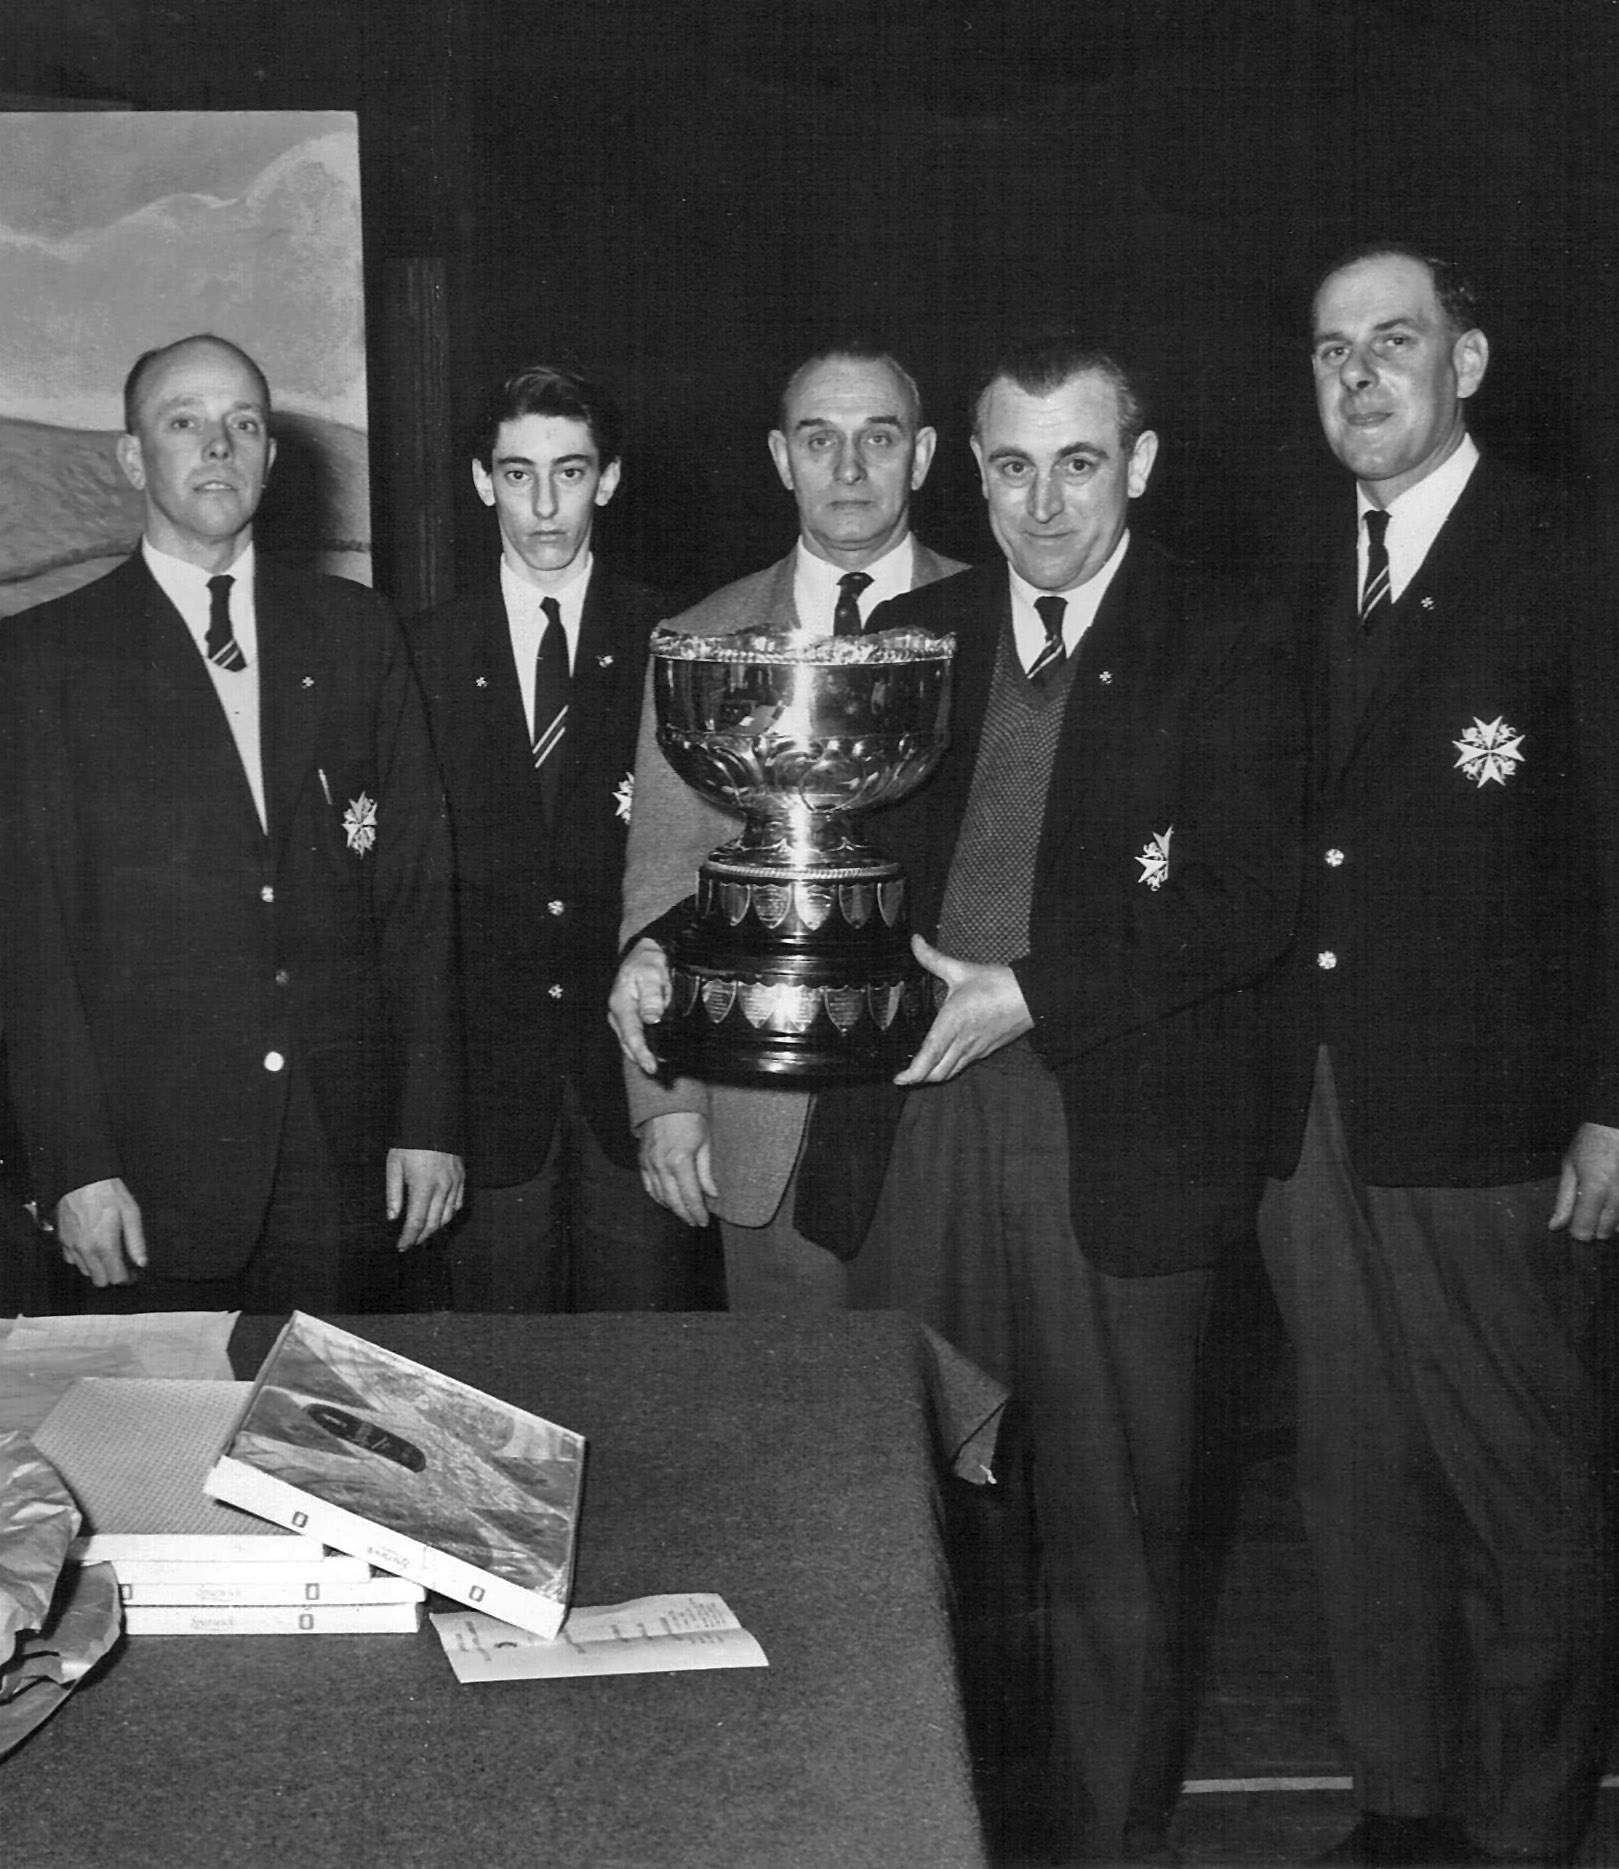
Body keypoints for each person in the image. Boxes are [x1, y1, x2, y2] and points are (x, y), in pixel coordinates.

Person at [789, 339, 1304, 1863]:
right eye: (1010, 466)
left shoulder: (1229, 630)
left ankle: (1102, 1838)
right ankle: (924, 1824)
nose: (1043, 501)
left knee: (1114, 1530)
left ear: (1135, 462)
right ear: (971, 468)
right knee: (916, 1511)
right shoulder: (917, 630)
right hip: (921, 1120)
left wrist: (1027, 989)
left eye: (1077, 462)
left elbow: (1242, 898)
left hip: (1113, 1126)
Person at [1258, 245, 1617, 1868]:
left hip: (1493, 1113)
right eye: (1331, 348)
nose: (1357, 374)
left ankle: (1526, 1826)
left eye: (1391, 341)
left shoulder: (1565, 552)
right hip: (1311, 1112)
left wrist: (1614, 1096)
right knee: (1352, 1477)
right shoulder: (1285, 564)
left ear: (1463, 361)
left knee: (1522, 1490)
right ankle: (1400, 1803)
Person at [0, 334, 463, 1313]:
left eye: (244, 424)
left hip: (342, 1163)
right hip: (148, 1173)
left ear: (271, 457)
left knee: (332, 1455)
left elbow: (415, 894)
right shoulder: (43, 663)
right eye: (186, 423)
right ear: (134, 459)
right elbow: (29, 948)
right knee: (154, 1459)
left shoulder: (356, 632)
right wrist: (75, 1168)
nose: (219, 445)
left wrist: (429, 1120)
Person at [608, 345, 962, 1310]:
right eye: (819, 439)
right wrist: (668, 1101)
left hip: (950, 1116)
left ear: (922, 455)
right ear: (779, 456)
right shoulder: (701, 638)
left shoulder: (995, 624)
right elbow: (661, 878)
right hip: (760, 1119)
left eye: (876, 437)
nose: (847, 468)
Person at [406, 366, 703, 1310]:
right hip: (486, 1101)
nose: (543, 504)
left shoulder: (675, 639)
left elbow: (709, 866)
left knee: (644, 1370)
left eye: (569, 473)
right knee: (502, 1387)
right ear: (482, 480)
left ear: (607, 480)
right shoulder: (418, 653)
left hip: (637, 1081)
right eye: (518, 472)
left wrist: (681, 1092)